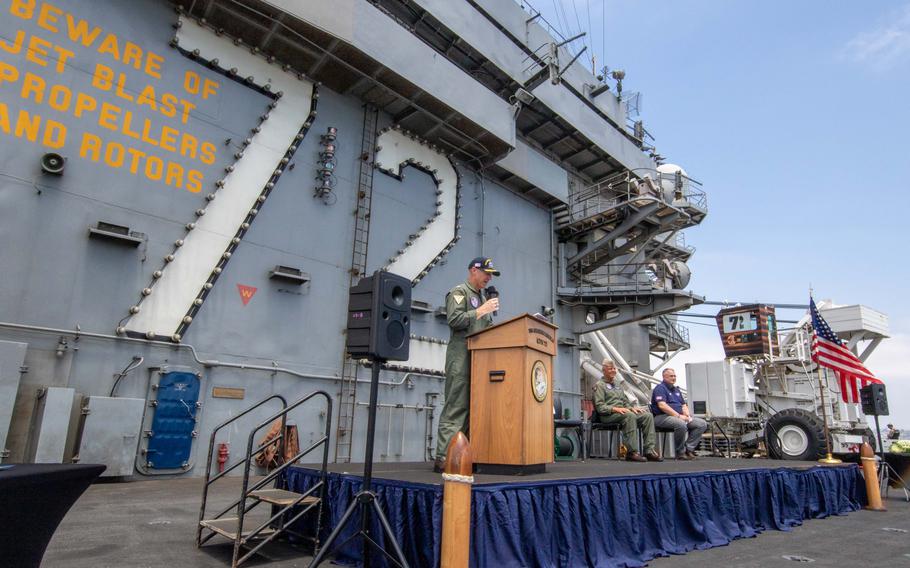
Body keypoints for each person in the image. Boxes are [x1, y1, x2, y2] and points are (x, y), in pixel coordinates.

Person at [434, 257, 501, 473]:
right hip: (461, 358)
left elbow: (486, 328)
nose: (489, 278)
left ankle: (464, 455)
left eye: (491, 275)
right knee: (456, 407)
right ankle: (444, 457)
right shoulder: (459, 292)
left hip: (479, 360)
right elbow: (454, 320)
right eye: (486, 273)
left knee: (474, 408)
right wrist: (481, 310)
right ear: (473, 270)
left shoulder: (482, 298)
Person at [593, 359, 662, 462]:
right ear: (604, 371)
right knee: (630, 416)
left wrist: (632, 408)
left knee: (647, 416)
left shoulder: (617, 385)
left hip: (623, 413)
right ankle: (631, 452)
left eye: (614, 368)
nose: (613, 370)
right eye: (610, 369)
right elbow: (600, 407)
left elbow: (625, 402)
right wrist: (615, 409)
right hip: (608, 415)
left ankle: (649, 451)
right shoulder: (600, 385)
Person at [651, 368, 708, 460]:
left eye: (674, 376)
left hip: (680, 416)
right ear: (664, 377)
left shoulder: (676, 390)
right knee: (680, 424)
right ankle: (680, 452)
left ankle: (689, 449)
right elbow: (662, 406)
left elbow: (683, 405)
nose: (673, 378)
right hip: (662, 417)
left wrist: (687, 415)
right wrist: (678, 416)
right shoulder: (660, 388)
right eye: (671, 376)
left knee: (701, 424)